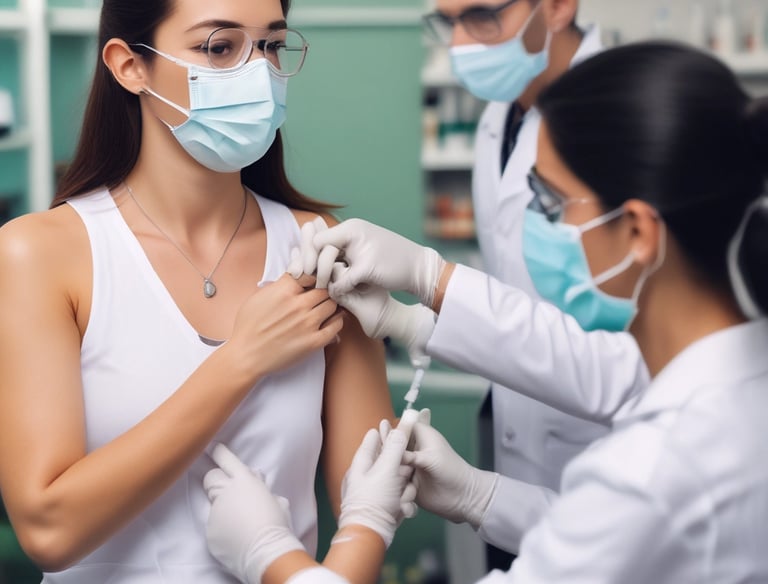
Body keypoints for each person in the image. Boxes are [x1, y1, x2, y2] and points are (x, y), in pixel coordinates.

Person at [203, 41, 768, 582]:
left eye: (549, 204)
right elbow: (631, 534)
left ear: (640, 231)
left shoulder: (655, 468)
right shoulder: (739, 384)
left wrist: (275, 557)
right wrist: (479, 493)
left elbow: (626, 525)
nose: (535, 227)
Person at [0, 0, 396, 582]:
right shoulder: (41, 254)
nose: (257, 72)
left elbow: (369, 498)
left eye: (271, 46)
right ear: (129, 65)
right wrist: (240, 362)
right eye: (219, 47)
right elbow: (49, 531)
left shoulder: (317, 246)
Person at [424, 1, 640, 568]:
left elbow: (631, 350)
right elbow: (516, 288)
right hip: (518, 452)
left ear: (559, 6)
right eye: (448, 22)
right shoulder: (501, 114)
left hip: (601, 445)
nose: (462, 42)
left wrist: (434, 287)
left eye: (482, 15)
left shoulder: (626, 112)